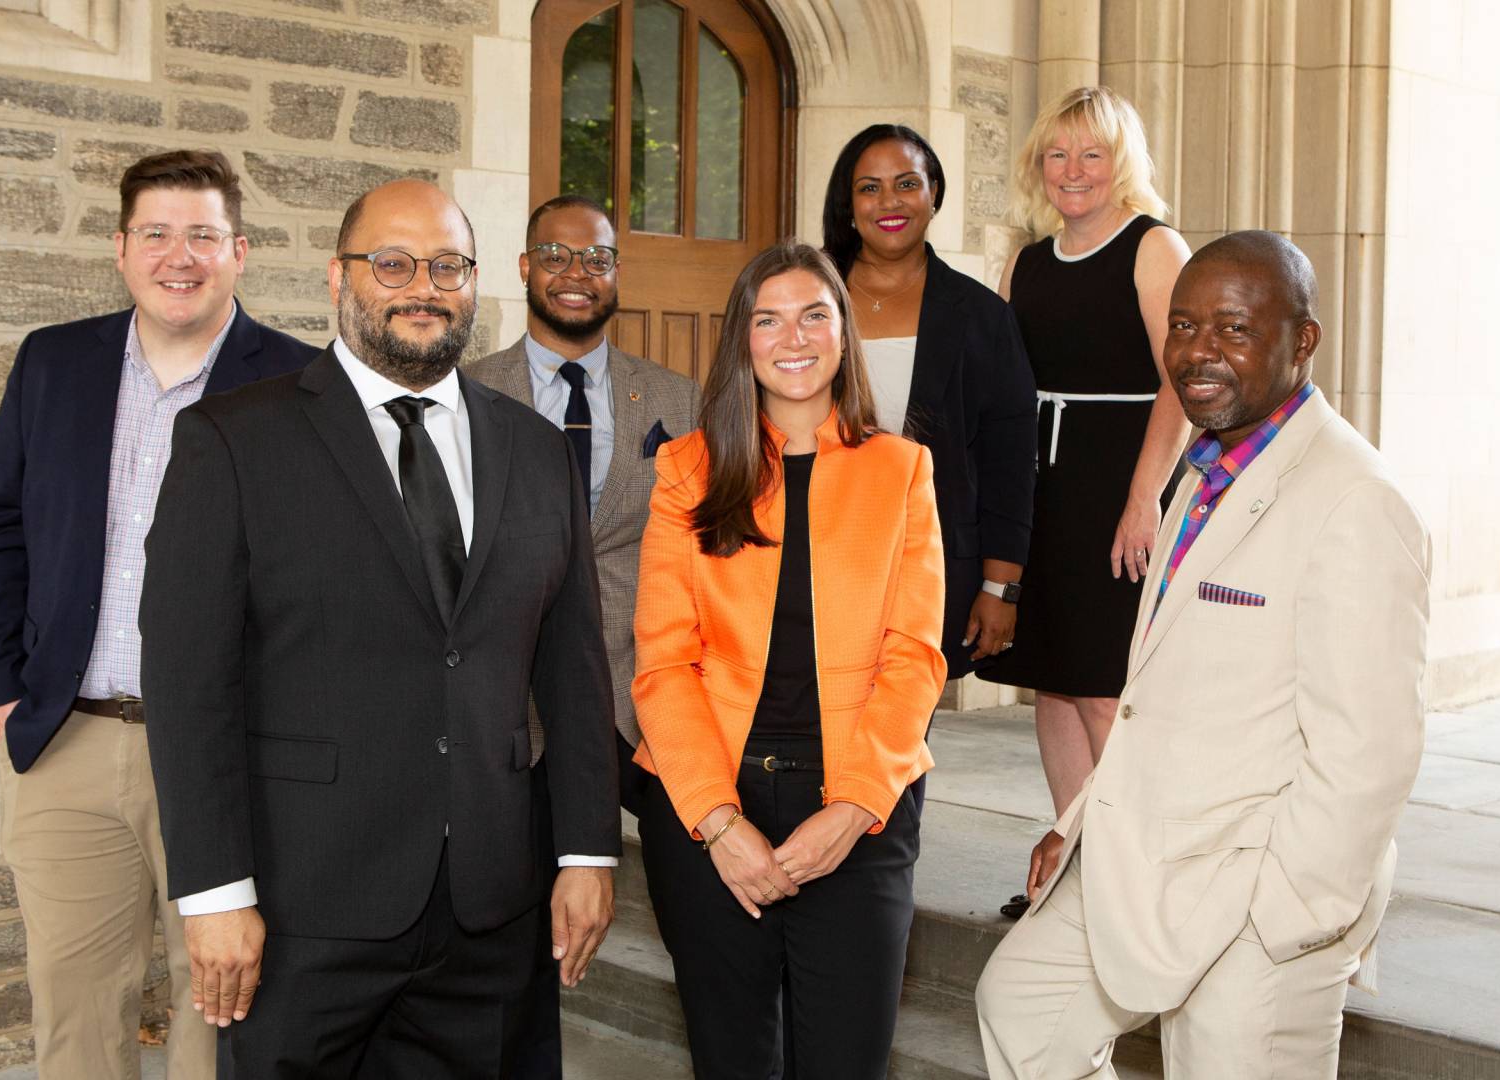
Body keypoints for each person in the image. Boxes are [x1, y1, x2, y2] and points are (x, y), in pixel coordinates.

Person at [138, 179, 621, 1077]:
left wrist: (588, 849)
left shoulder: (535, 449)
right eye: (392, 263)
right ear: (338, 277)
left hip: (493, 908)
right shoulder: (234, 441)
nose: (422, 287)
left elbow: (574, 670)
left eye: (447, 265)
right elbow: (188, 687)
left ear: (477, 282)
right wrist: (213, 892)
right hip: (305, 903)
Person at [974, 231, 1431, 1078]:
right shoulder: (1198, 471)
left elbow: (1370, 751)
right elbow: (1154, 691)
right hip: (1139, 853)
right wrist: (1078, 826)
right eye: (1182, 327)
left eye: (1233, 328)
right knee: (1021, 1013)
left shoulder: (1357, 501)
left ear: (1302, 341)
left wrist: (1283, 918)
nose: (1198, 352)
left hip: (1260, 891)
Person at [0, 149, 317, 1079]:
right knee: (75, 1021)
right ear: (121, 250)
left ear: (240, 250)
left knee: (227, 1019)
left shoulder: (305, 386)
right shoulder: (55, 361)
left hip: (233, 758)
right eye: (156, 233)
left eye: (203, 234)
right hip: (66, 745)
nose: (179, 255)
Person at [631, 240, 947, 1078]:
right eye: (767, 319)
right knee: (731, 1059)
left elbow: (914, 658)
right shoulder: (686, 471)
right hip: (709, 798)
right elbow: (664, 663)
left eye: (815, 314)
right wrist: (718, 822)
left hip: (859, 800)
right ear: (742, 340)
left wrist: (851, 811)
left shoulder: (903, 470)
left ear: (845, 334)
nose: (793, 337)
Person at [463, 193, 700, 1075]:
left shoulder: (676, 398)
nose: (575, 273)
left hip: (647, 697)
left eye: (596, 257)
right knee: (514, 944)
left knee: (700, 917)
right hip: (513, 703)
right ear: (524, 268)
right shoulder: (469, 392)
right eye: (556, 255)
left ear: (616, 276)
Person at [978, 86, 1193, 916]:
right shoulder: (1024, 261)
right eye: (1058, 155)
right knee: (1053, 685)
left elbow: (1179, 380)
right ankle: (1071, 864)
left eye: (1092, 155)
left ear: (1121, 166)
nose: (1074, 172)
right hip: (1042, 487)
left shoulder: (1154, 247)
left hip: (1117, 485)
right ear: (1039, 165)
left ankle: (1132, 885)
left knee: (1104, 686)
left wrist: (1144, 500)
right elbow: (1005, 387)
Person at [819, 124, 1038, 683]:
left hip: (933, 567)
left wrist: (1000, 587)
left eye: (907, 183)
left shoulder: (983, 317)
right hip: (811, 553)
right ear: (848, 203)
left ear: (934, 193)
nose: (888, 202)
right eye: (869, 188)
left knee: (899, 742)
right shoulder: (807, 296)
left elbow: (1009, 464)